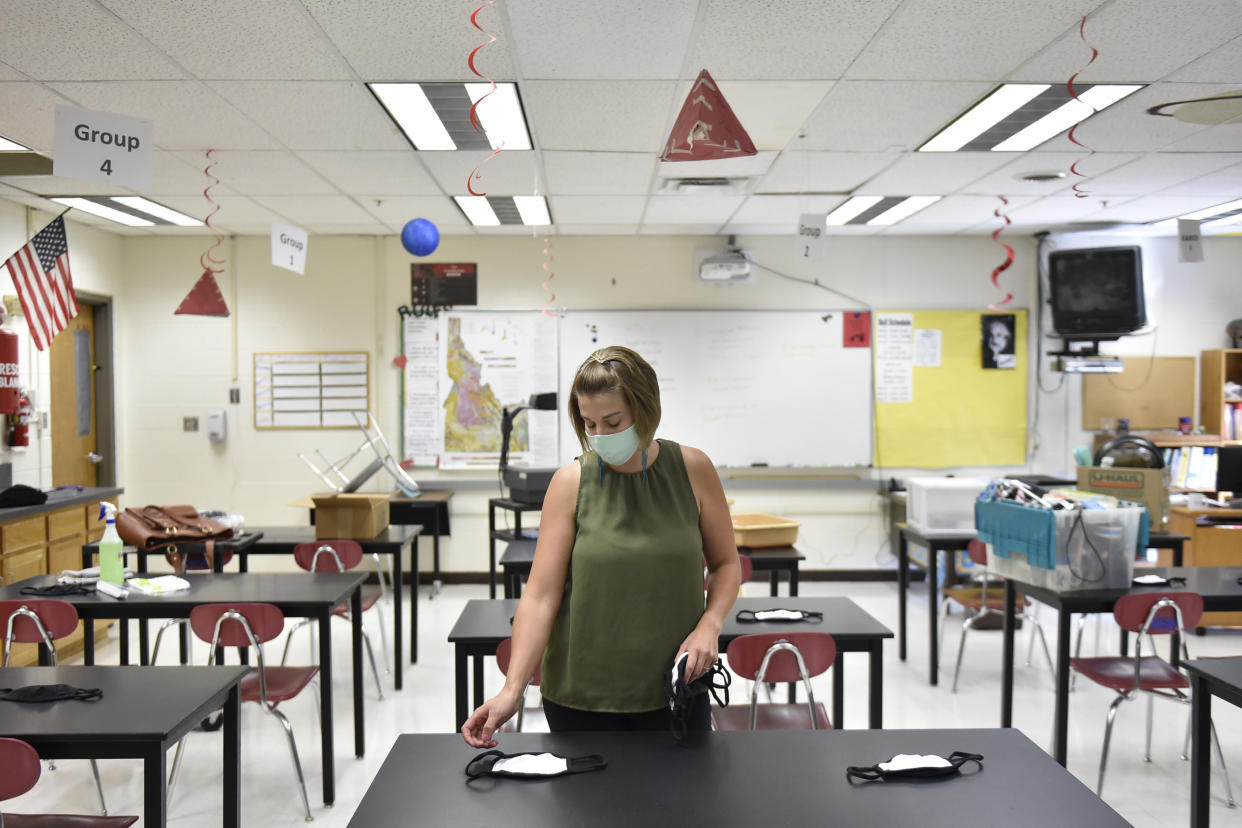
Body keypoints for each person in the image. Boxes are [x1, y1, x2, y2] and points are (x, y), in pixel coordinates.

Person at [462, 346, 743, 745]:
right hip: (582, 700)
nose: (600, 436)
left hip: (676, 691)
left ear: (645, 411)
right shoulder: (571, 483)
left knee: (682, 807)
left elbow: (726, 564)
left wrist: (710, 625)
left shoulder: (693, 470)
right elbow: (541, 597)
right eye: (589, 424)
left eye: (613, 422)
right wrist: (512, 690)